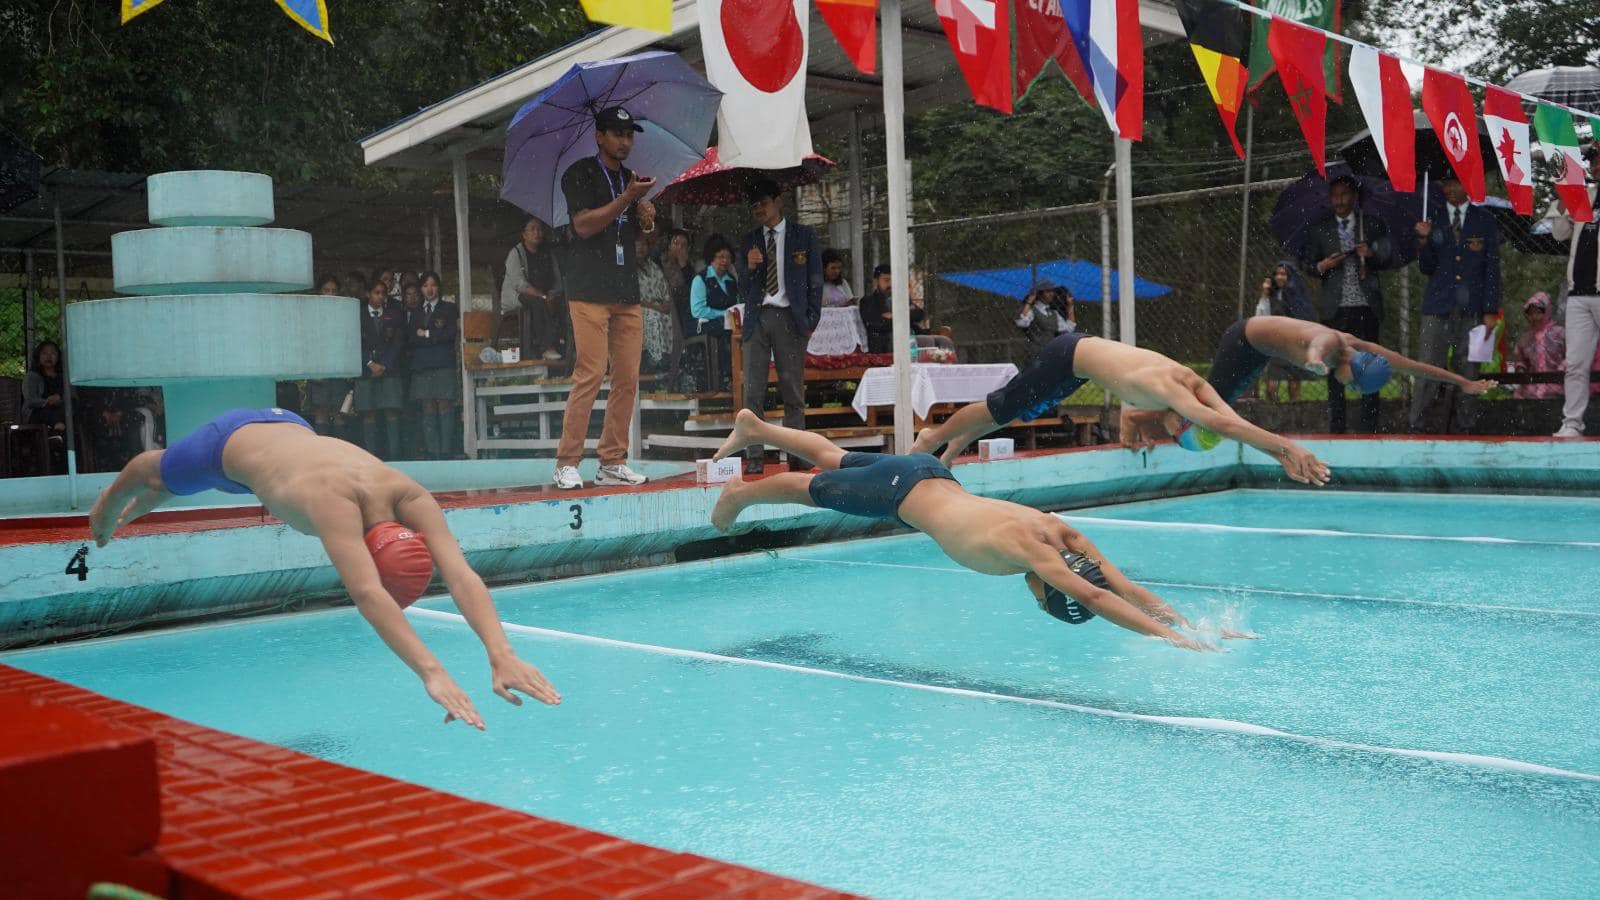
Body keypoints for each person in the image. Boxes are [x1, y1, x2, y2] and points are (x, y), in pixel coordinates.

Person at [88, 407, 561, 728]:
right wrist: (432, 672)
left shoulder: (406, 493)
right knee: (154, 474)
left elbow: (461, 575)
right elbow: (368, 594)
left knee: (186, 486)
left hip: (289, 434)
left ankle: (153, 498)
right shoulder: (334, 505)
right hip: (230, 441)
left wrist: (501, 652)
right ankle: (110, 506)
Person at [710, 411, 1249, 651]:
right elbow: (1094, 595)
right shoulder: (1036, 555)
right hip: (900, 494)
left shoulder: (1059, 533)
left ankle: (757, 428)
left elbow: (1121, 587)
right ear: (1047, 597)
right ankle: (740, 495)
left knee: (834, 456)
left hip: (929, 475)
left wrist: (1196, 626)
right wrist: (1172, 639)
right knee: (806, 486)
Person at [909, 332, 1330, 485]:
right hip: (1066, 356)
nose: (1165, 432)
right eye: (1174, 434)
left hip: (1078, 365)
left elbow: (1232, 423)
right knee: (997, 409)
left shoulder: (1196, 386)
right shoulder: (1176, 392)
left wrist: (1279, 455)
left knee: (1011, 414)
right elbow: (1221, 422)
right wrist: (1291, 447)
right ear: (1182, 421)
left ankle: (948, 453)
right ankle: (932, 436)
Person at [553, 106, 657, 489]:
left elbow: (634, 235)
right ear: (599, 136)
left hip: (626, 289)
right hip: (587, 290)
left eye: (629, 135)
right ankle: (567, 462)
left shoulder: (632, 179)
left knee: (628, 377)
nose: (625, 141)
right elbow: (582, 226)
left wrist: (646, 216)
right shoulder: (579, 173)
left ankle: (612, 460)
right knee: (591, 374)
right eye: (617, 134)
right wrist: (627, 198)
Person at [1196, 316, 1496, 414]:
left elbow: (1412, 366)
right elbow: (1320, 341)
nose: (1348, 387)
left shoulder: (1362, 350)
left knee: (1214, 406)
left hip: (1259, 350)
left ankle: (1156, 423)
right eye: (1353, 384)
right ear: (1355, 369)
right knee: (1208, 404)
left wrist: (1462, 382)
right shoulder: (1335, 345)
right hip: (1242, 342)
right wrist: (1314, 360)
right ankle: (1151, 423)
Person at [736, 177, 822, 473]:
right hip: (758, 317)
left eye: (763, 203)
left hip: (790, 318)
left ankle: (796, 454)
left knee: (792, 389)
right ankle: (755, 457)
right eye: (754, 205)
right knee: (753, 391)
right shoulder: (749, 241)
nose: (758, 209)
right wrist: (748, 267)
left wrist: (811, 319)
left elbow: (815, 280)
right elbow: (743, 290)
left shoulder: (803, 235)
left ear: (778, 201)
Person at [1299, 174, 1393, 433]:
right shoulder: (1320, 230)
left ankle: (1369, 427)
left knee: (1369, 365)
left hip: (1366, 307)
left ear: (1354, 197)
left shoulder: (1371, 225)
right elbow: (1307, 264)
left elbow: (1387, 258)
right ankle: (1337, 426)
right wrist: (1323, 266)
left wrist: (1371, 255)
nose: (1339, 200)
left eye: (1344, 194)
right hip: (1335, 309)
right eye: (1335, 195)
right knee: (1334, 365)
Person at [1408, 173, 1502, 432]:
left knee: (1469, 370)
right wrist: (1424, 240)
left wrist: (1490, 310)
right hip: (1437, 306)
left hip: (1473, 309)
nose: (1448, 188)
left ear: (1467, 184)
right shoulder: (1433, 219)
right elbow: (1427, 268)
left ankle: (1466, 429)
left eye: (1454, 182)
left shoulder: (1484, 221)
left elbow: (1491, 268)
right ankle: (1417, 427)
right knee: (1428, 367)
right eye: (1445, 183)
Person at [1544, 148, 1600, 437]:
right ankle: (1572, 424)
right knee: (1576, 364)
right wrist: (1564, 200)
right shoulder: (1585, 195)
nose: (1596, 165)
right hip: (1578, 294)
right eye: (1593, 161)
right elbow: (1559, 234)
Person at [407, 271, 460, 459]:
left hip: (443, 362)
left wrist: (427, 335)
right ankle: (433, 451)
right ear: (421, 289)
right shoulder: (415, 311)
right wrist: (432, 337)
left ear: (439, 287)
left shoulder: (449, 308)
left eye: (433, 285)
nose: (429, 289)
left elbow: (449, 335)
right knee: (427, 406)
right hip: (422, 365)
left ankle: (446, 450)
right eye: (425, 286)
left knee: (444, 405)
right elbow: (412, 338)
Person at [500, 217, 567, 363]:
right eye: (532, 229)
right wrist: (542, 296)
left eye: (540, 229)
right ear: (524, 234)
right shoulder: (516, 253)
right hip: (518, 296)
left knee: (564, 304)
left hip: (544, 296)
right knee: (537, 303)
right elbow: (519, 284)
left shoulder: (548, 253)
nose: (537, 232)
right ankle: (545, 348)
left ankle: (566, 348)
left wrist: (552, 293)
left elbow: (558, 281)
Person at [356, 277, 408, 459]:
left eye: (383, 294)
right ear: (367, 294)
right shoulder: (357, 314)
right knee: (368, 413)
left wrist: (384, 364)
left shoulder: (394, 315)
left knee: (391, 412)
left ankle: (394, 457)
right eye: (376, 293)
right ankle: (371, 457)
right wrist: (369, 363)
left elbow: (398, 342)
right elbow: (353, 343)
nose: (380, 297)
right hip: (366, 370)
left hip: (389, 370)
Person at [1253, 262, 1317, 401]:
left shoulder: (1298, 297)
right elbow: (1260, 316)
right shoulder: (1272, 296)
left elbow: (1305, 319)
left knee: (1293, 386)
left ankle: (1295, 417)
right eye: (1276, 274)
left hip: (1293, 345)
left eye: (1283, 274)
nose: (1279, 277)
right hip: (1275, 345)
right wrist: (1264, 293)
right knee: (1271, 386)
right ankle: (1272, 415)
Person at [688, 234, 737, 391]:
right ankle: (726, 377)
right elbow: (697, 310)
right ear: (711, 257)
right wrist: (723, 314)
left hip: (726, 322)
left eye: (728, 257)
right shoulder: (700, 280)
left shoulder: (731, 280)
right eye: (721, 257)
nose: (725, 261)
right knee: (725, 330)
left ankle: (740, 374)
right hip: (703, 325)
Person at [308, 276, 355, 437]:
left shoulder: (344, 314)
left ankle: (339, 452)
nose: (330, 294)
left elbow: (349, 343)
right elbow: (308, 345)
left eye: (334, 291)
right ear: (319, 292)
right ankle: (322, 453)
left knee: (339, 411)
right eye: (326, 290)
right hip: (319, 369)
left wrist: (348, 370)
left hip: (339, 370)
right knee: (321, 411)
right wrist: (314, 371)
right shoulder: (312, 316)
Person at [1511, 292, 1565, 401]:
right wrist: (1520, 369)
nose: (1534, 317)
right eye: (1531, 314)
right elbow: (1520, 359)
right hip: (1531, 390)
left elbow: (1571, 356)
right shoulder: (1525, 338)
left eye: (1538, 312)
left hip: (1558, 388)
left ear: (1547, 312)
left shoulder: (1560, 333)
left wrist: (1560, 371)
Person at [635, 231, 675, 374]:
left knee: (670, 317)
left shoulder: (654, 267)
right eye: (637, 244)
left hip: (660, 308)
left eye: (644, 244)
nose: (641, 248)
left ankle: (668, 359)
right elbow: (634, 299)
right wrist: (654, 306)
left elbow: (665, 293)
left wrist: (664, 305)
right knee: (653, 316)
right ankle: (654, 360)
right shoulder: (628, 270)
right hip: (639, 309)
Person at [1014, 281, 1075, 358]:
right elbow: (1021, 322)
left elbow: (1069, 329)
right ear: (1039, 294)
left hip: (1051, 353)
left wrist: (1070, 306)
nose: (1051, 294)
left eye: (1052, 291)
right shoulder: (1032, 311)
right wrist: (1029, 301)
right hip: (1035, 354)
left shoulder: (1053, 313)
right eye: (1048, 291)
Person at [859, 263, 894, 354]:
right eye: (886, 280)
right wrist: (900, 318)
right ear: (876, 281)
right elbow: (874, 323)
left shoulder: (900, 299)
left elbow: (918, 314)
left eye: (893, 280)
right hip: (881, 342)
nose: (890, 284)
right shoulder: (868, 301)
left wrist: (892, 317)